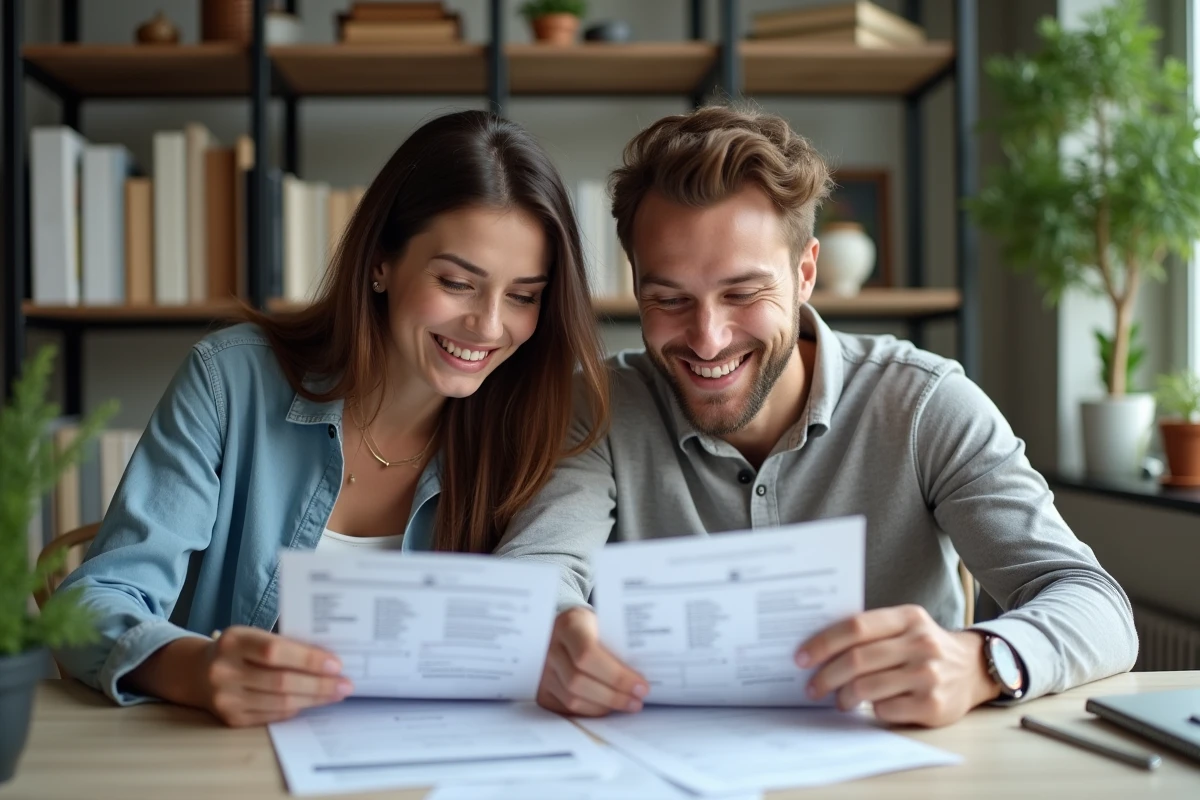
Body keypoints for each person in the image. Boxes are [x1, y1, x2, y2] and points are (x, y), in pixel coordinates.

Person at [509, 105, 1138, 727]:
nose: (706, 338)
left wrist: (980, 661)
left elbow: (1094, 602)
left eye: (743, 293)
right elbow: (533, 583)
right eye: (669, 299)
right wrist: (556, 632)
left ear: (805, 273)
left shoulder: (924, 404)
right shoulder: (596, 409)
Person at [54, 110, 610, 727]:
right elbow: (93, 602)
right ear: (380, 263)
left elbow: (547, 599)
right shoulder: (231, 382)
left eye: (524, 296)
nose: (488, 325)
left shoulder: (536, 428)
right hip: (221, 764)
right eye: (457, 283)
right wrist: (196, 669)